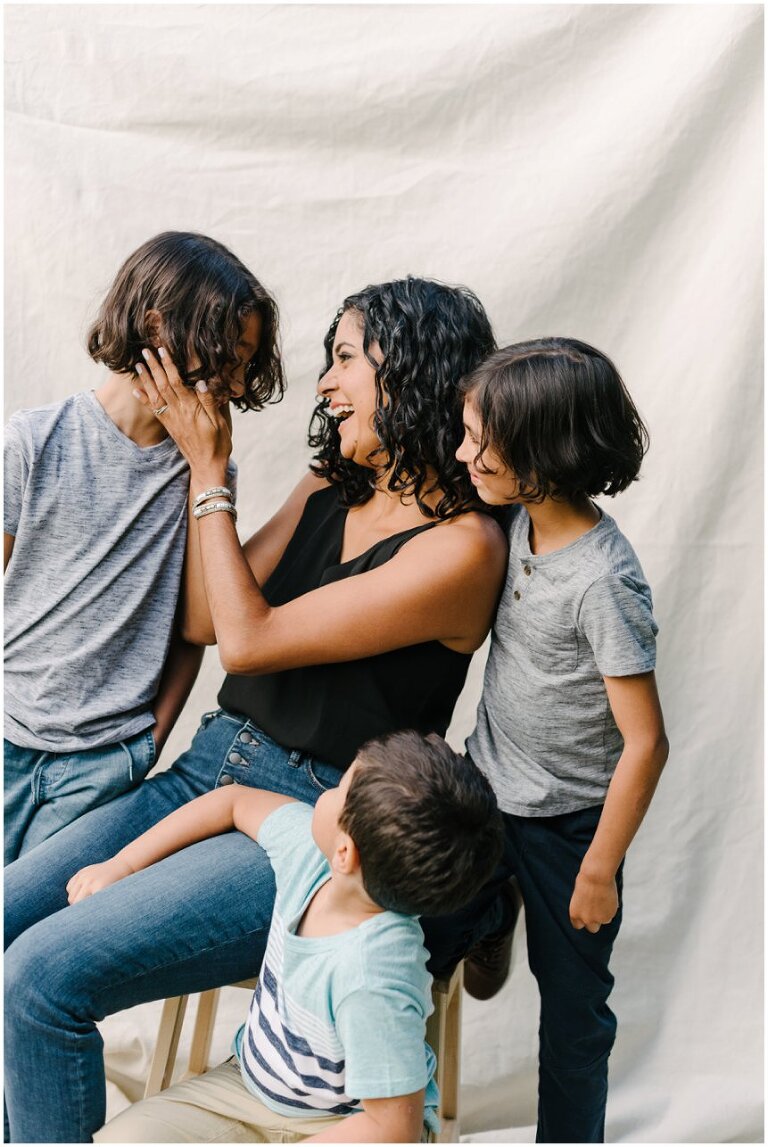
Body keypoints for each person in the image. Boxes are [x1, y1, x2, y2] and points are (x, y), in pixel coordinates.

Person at [4, 277, 508, 1144]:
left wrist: (210, 472)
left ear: (410, 369)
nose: (325, 383)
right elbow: (207, 618)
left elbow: (246, 640)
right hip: (209, 771)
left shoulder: (463, 549)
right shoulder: (329, 485)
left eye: (344, 358)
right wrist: (206, 476)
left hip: (314, 821)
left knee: (38, 980)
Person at [61, 731, 503, 1143]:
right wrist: (123, 864)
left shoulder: (375, 976)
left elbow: (391, 1128)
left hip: (346, 1125)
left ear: (345, 852)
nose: (323, 793)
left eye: (338, 789)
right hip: (245, 1090)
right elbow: (233, 801)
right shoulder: (308, 854)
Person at [445, 337, 669, 1143]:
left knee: (574, 1018)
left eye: (480, 442)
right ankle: (487, 916)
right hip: (483, 786)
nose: (463, 453)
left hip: (569, 830)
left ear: (544, 457)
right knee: (409, 928)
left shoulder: (603, 580)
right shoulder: (512, 521)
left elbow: (646, 743)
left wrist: (599, 869)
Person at [3, 231, 283, 864]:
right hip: (7, 740)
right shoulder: (34, 441)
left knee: (49, 920)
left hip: (104, 762)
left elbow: (196, 628)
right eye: (228, 356)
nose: (237, 383)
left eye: (246, 363)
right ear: (157, 327)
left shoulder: (206, 473)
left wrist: (151, 739)